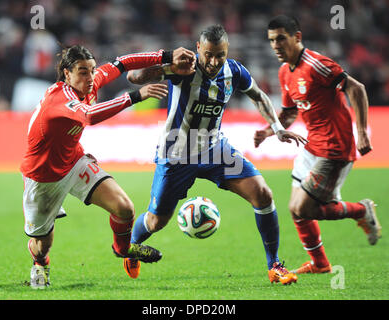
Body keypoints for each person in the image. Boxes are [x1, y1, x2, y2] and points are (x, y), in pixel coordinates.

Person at [125, 24, 308, 284]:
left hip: (215, 149)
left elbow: (258, 96)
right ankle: (131, 246)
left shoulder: (234, 70)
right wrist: (167, 59)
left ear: (227, 51)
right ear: (197, 48)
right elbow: (134, 76)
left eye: (219, 55)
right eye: (208, 54)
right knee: (156, 222)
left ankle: (274, 266)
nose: (213, 61)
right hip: (177, 154)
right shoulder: (183, 68)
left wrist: (277, 128)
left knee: (263, 195)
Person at [21, 44, 196, 289]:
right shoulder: (59, 99)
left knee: (124, 208)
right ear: (66, 73)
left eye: (92, 70)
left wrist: (167, 56)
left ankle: (123, 249)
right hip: (43, 177)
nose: (90, 77)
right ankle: (40, 262)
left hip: (74, 162)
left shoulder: (89, 82)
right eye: (83, 72)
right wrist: (135, 96)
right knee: (42, 244)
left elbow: (122, 62)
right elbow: (90, 116)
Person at [254, 15, 382, 274]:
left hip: (335, 148)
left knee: (303, 207)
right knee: (296, 210)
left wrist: (362, 132)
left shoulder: (316, 65)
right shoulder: (284, 72)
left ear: (297, 37)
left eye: (281, 38)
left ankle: (361, 210)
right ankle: (321, 264)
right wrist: (270, 129)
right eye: (271, 40)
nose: (276, 45)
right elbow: (290, 113)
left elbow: (356, 89)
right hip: (311, 146)